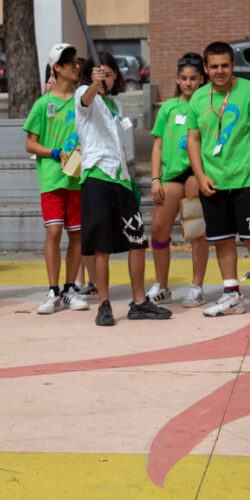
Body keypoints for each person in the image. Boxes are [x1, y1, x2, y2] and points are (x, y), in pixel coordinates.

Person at [185, 41, 250, 321]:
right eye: (214, 66)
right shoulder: (198, 98)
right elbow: (193, 138)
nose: (220, 71)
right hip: (213, 182)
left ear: (233, 65)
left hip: (248, 179)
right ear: (205, 68)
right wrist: (200, 175)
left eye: (225, 65)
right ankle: (231, 295)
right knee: (222, 240)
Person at [76, 51, 172, 326]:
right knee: (102, 246)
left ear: (116, 75)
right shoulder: (83, 93)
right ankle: (104, 304)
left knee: (137, 240)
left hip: (122, 179)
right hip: (97, 176)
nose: (104, 78)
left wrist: (129, 178)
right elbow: (84, 101)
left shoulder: (116, 104)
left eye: (108, 74)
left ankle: (139, 302)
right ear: (91, 76)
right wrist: (94, 84)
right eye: (99, 74)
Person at [23, 44, 90, 314]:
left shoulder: (83, 100)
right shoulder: (42, 104)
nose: (76, 67)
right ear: (57, 68)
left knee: (76, 234)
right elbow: (30, 144)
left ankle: (70, 289)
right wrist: (54, 153)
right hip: (51, 179)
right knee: (54, 231)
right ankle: (52, 291)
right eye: (70, 63)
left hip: (77, 179)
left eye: (77, 62)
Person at [148, 53, 211, 308]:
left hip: (196, 174)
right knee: (158, 229)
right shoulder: (168, 108)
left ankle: (196, 287)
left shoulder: (207, 106)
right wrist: (155, 179)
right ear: (177, 79)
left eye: (193, 78)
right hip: (171, 176)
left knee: (195, 229)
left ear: (202, 79)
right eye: (184, 78)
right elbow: (158, 145)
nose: (188, 83)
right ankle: (162, 287)